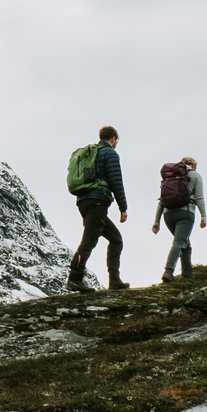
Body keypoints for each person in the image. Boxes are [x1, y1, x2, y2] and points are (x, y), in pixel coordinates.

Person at [67, 125, 129, 292]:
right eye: (117, 140)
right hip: (98, 203)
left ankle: (115, 280)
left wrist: (86, 210)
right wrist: (123, 207)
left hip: (86, 202)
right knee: (90, 240)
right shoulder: (110, 153)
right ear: (113, 139)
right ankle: (75, 278)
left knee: (116, 239)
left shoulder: (91, 154)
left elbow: (87, 181)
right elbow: (116, 181)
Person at [152, 156, 206, 282]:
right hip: (185, 214)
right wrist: (203, 216)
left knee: (185, 244)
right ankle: (168, 271)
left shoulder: (169, 177)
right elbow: (199, 198)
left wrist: (156, 222)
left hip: (168, 216)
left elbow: (161, 201)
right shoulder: (196, 176)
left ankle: (187, 277)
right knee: (179, 242)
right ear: (192, 165)